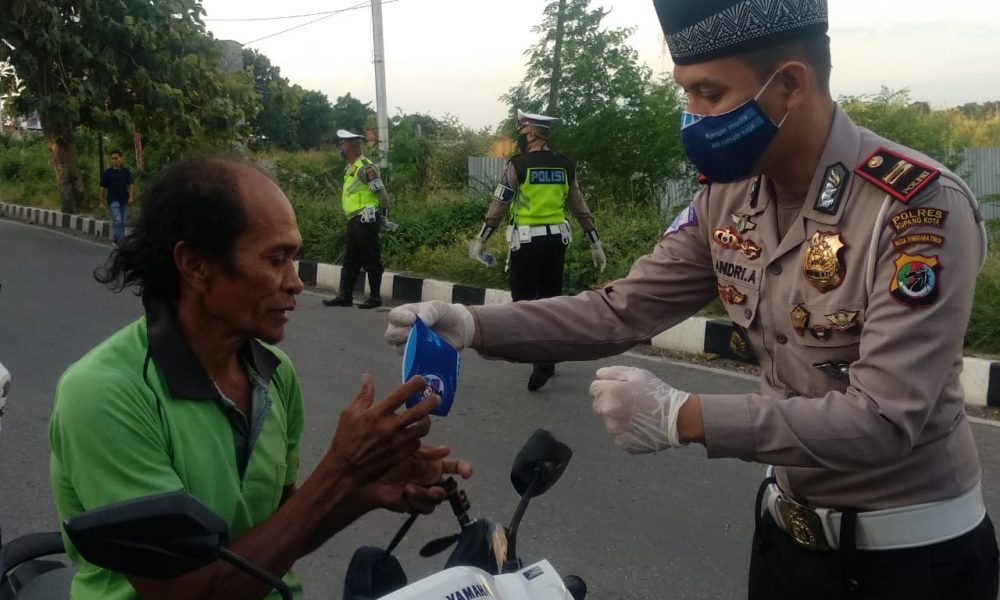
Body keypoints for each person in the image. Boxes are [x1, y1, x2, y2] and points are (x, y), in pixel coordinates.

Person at [383, 0, 999, 597]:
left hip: (912, 563)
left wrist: (684, 415)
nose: (693, 116)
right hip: (785, 545)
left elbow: (884, 420)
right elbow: (619, 308)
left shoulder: (915, 206)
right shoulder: (727, 197)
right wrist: (470, 323)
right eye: (687, 94)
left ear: (789, 85)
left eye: (709, 94)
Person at [51, 155, 471, 600]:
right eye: (276, 259)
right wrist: (342, 469)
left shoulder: (274, 374)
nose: (295, 283)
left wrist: (366, 488)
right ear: (195, 264)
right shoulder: (106, 393)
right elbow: (187, 594)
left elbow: (282, 534)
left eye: (294, 258)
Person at [468, 110, 607, 391]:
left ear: (530, 134)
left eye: (521, 132)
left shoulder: (518, 165)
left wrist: (482, 239)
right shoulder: (564, 165)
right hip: (557, 242)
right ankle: (550, 357)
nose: (520, 137)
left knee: (525, 304)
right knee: (551, 300)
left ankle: (540, 360)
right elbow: (579, 206)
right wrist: (595, 241)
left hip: (526, 243)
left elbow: (499, 205)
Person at [323, 129, 390, 309]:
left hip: (367, 219)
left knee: (371, 258)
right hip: (354, 220)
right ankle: (345, 296)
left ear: (350, 146)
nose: (340, 148)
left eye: (342, 144)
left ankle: (375, 298)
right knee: (350, 260)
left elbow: (382, 195)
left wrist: (382, 218)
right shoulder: (351, 168)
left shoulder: (366, 168)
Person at [99, 149, 134, 246]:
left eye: (116, 158)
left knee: (122, 221)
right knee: (118, 219)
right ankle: (121, 241)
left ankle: (116, 238)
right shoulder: (107, 173)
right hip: (113, 199)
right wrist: (101, 202)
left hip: (124, 199)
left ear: (121, 159)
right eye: (112, 158)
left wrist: (131, 197)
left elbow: (130, 185)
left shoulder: (126, 172)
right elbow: (102, 187)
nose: (114, 160)